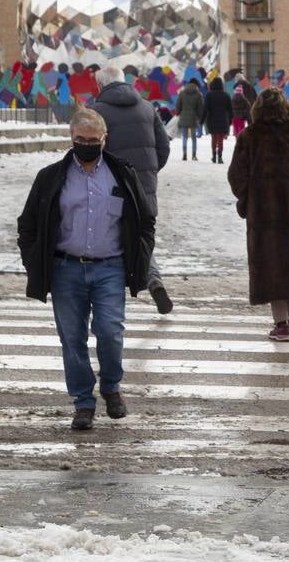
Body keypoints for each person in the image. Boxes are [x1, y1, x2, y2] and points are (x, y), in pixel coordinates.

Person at [16, 107, 155, 431]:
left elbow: (145, 220)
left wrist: (141, 258)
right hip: (66, 269)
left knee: (110, 331)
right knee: (72, 339)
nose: (87, 145)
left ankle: (111, 386)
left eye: (93, 140)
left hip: (110, 267)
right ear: (71, 138)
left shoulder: (121, 173)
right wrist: (34, 262)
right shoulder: (51, 177)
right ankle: (83, 402)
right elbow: (28, 225)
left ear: (104, 140)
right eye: (81, 139)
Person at [227, 88, 289, 341]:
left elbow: (236, 175)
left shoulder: (250, 137)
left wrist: (247, 198)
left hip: (263, 213)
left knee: (271, 264)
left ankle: (280, 324)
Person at [91, 64, 174, 314]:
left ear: (100, 86)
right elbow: (164, 147)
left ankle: (110, 295)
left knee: (109, 237)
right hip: (144, 186)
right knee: (140, 234)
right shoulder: (147, 108)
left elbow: (91, 151)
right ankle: (153, 280)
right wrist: (147, 173)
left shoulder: (96, 112)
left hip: (111, 185)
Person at [203, 76, 233, 163]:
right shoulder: (226, 95)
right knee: (220, 139)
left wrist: (202, 120)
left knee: (213, 138)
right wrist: (230, 120)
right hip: (223, 120)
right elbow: (230, 110)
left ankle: (213, 155)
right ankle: (220, 156)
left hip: (212, 119)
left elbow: (205, 109)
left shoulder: (209, 95)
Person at [174, 77, 205, 160]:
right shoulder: (199, 94)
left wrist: (178, 112)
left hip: (183, 117)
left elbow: (178, 104)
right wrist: (200, 117)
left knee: (184, 136)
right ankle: (194, 155)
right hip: (194, 118)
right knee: (194, 137)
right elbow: (201, 108)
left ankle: (184, 153)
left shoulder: (182, 93)